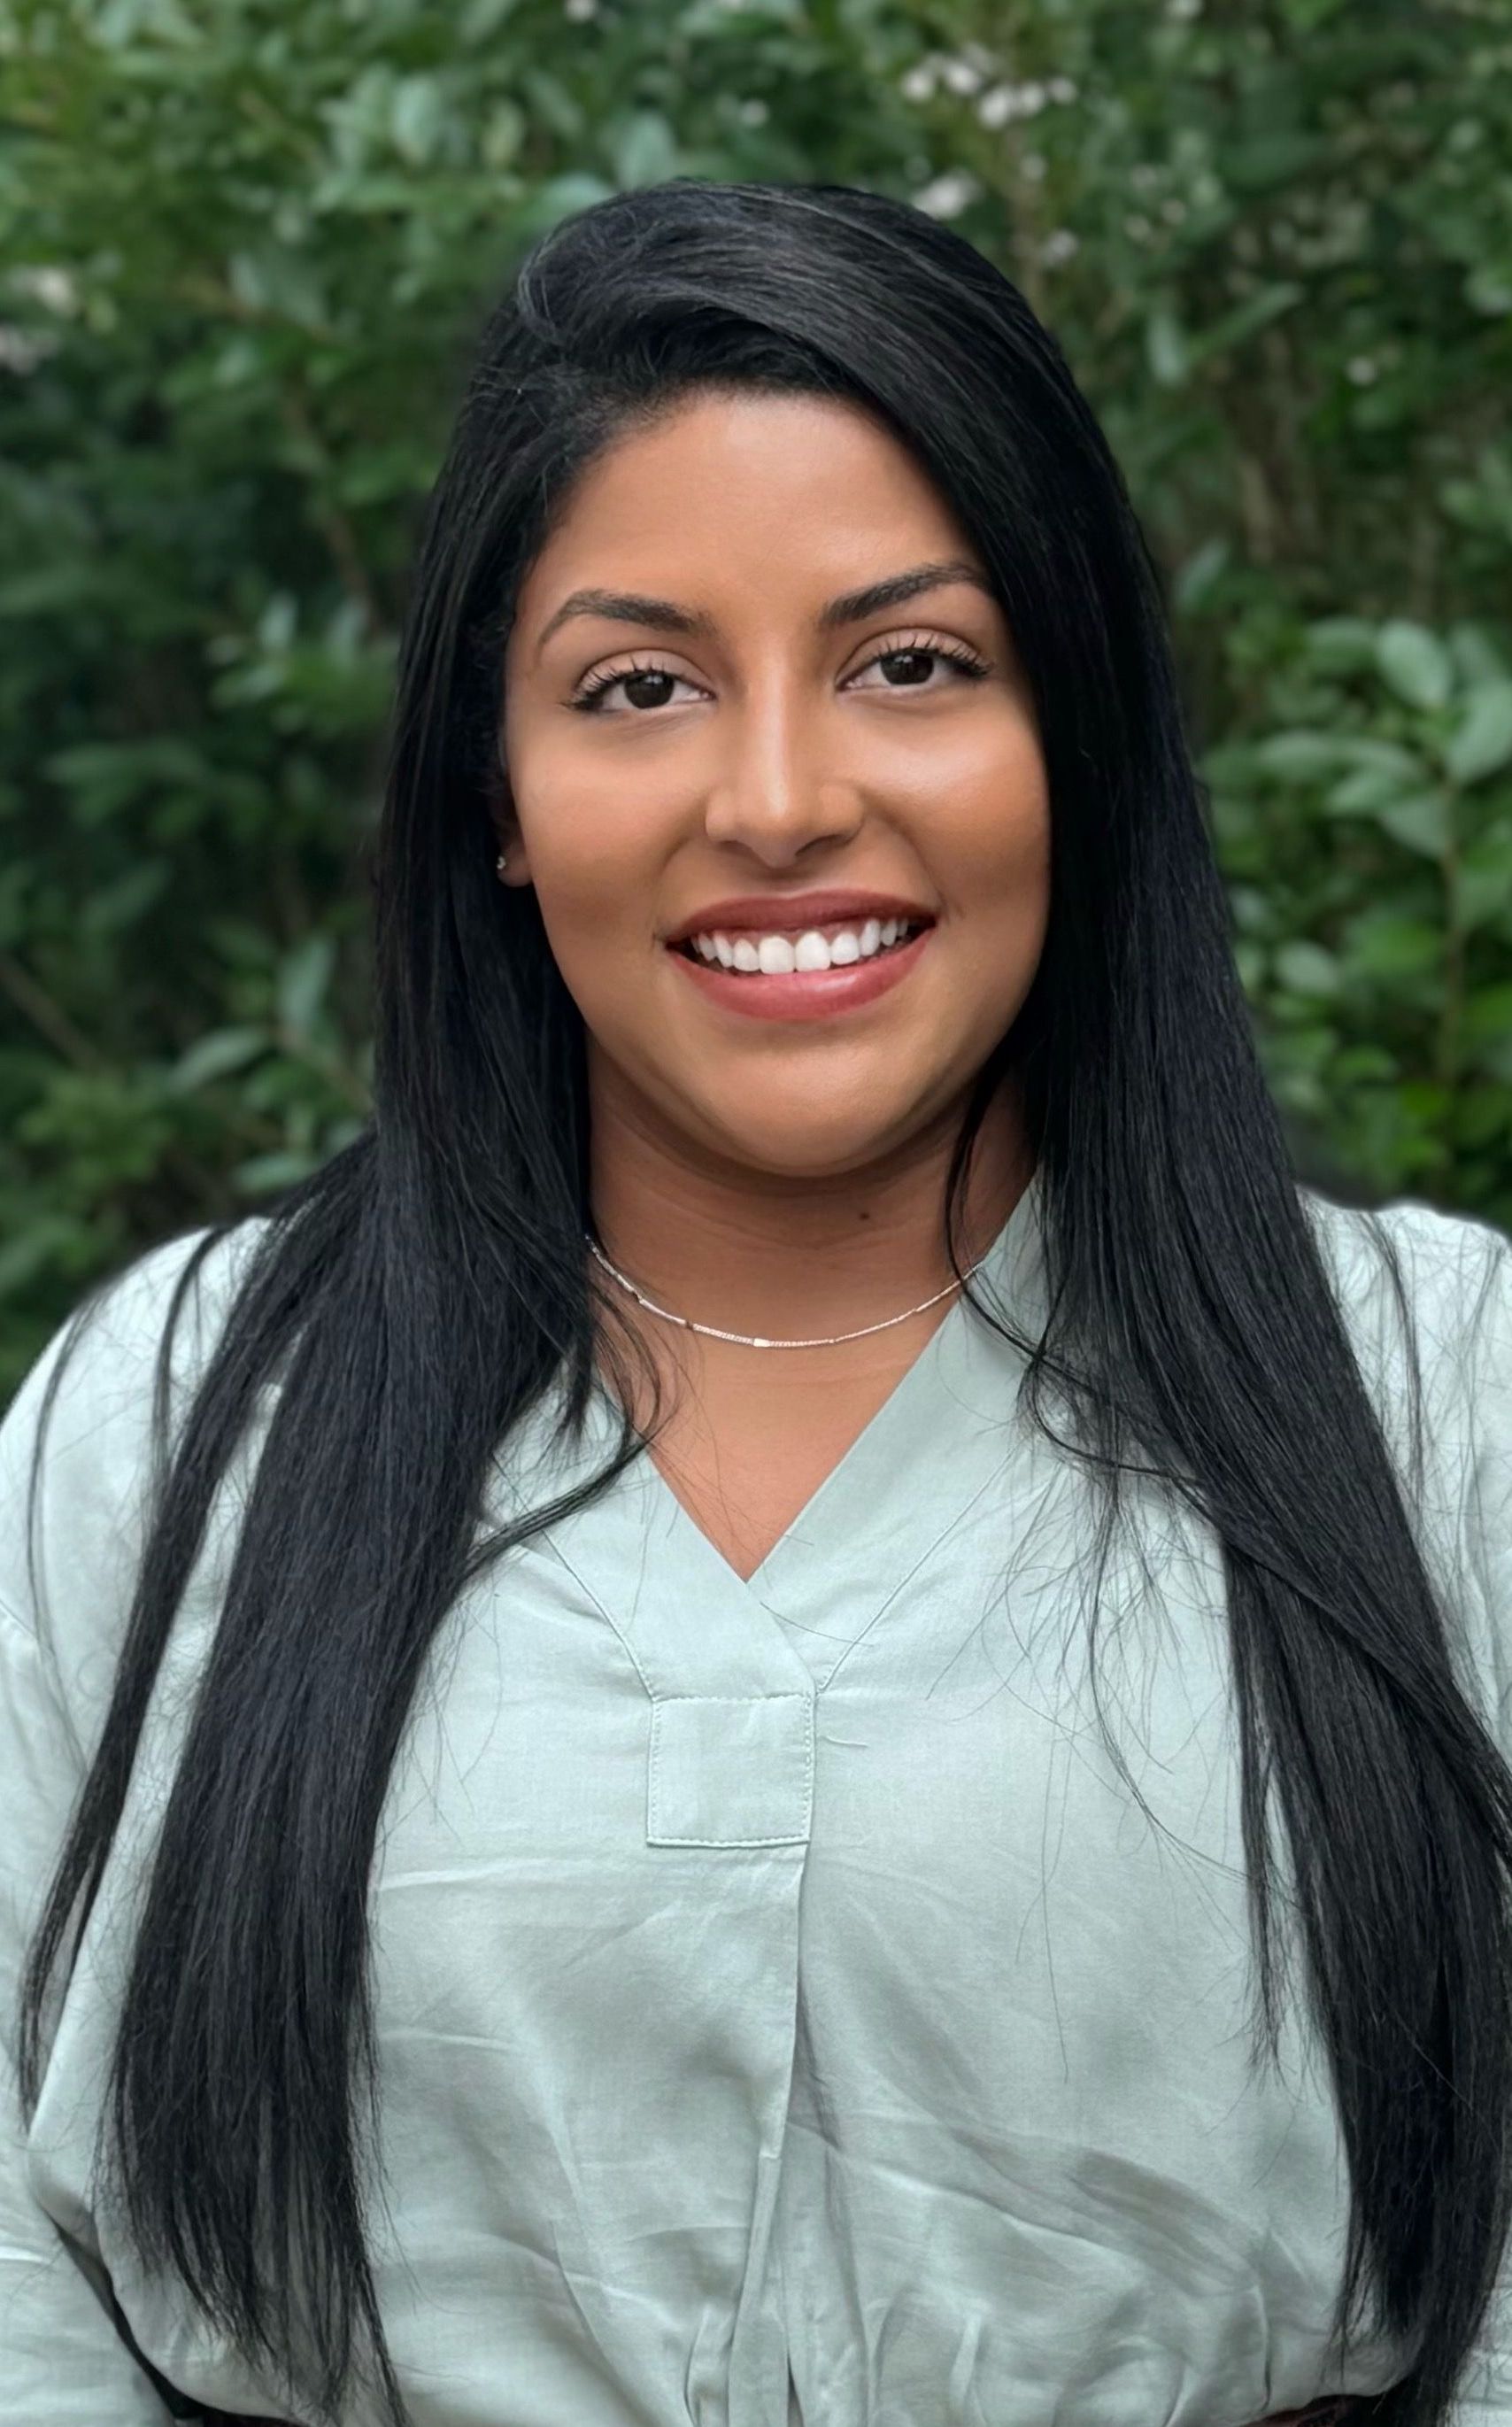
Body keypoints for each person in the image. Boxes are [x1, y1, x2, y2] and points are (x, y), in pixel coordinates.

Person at [2, 177, 1510, 2427]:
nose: (781, 800)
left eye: (911, 662)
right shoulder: (173, 1415)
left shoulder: (1437, 1402)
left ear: (1071, 737)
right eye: (637, 686)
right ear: (498, 797)